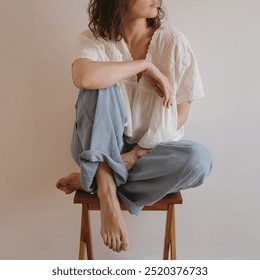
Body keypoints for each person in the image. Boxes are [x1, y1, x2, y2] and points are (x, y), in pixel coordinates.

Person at [56, 0, 212, 254]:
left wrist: (137, 153)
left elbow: (180, 114)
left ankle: (93, 179)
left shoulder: (173, 42)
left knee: (199, 160)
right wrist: (146, 66)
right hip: (94, 142)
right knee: (100, 84)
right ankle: (106, 193)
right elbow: (84, 77)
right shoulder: (94, 39)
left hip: (149, 153)